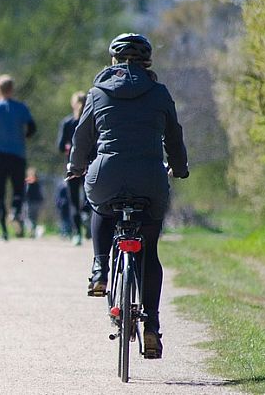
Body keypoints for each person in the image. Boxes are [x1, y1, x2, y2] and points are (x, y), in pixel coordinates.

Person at [67, 33, 189, 358]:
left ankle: (99, 269)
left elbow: (81, 137)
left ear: (113, 61)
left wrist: (75, 167)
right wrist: (180, 167)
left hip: (106, 175)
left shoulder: (96, 92)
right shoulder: (160, 93)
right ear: (147, 62)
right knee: (150, 252)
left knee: (100, 205)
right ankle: (151, 326)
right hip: (150, 179)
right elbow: (174, 137)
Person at [0, 74, 37, 240]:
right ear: (12, 89)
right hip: (18, 154)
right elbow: (32, 128)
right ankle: (16, 211)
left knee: (0, 193)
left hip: (0, 156)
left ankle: (4, 231)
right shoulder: (21, 108)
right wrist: (23, 135)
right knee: (18, 189)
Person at [57, 91, 89, 246]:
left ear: (72, 104)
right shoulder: (91, 121)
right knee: (90, 197)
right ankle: (86, 215)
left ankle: (77, 234)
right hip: (90, 165)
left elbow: (60, 146)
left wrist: (68, 148)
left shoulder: (67, 123)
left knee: (74, 201)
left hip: (72, 167)